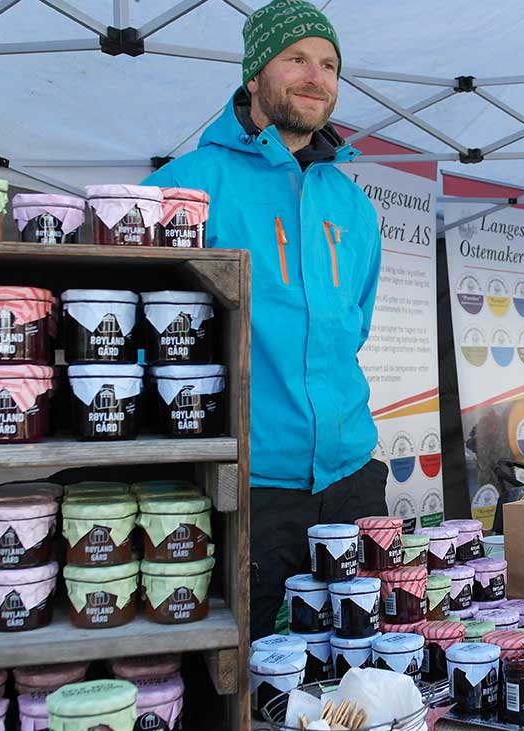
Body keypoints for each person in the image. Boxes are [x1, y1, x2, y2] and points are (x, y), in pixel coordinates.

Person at [142, 0, 389, 640]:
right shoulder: (188, 185)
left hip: (352, 478)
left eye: (329, 64)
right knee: (243, 663)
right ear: (255, 75)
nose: (316, 76)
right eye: (296, 59)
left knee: (362, 655)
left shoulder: (354, 205)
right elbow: (148, 338)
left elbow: (352, 326)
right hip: (250, 482)